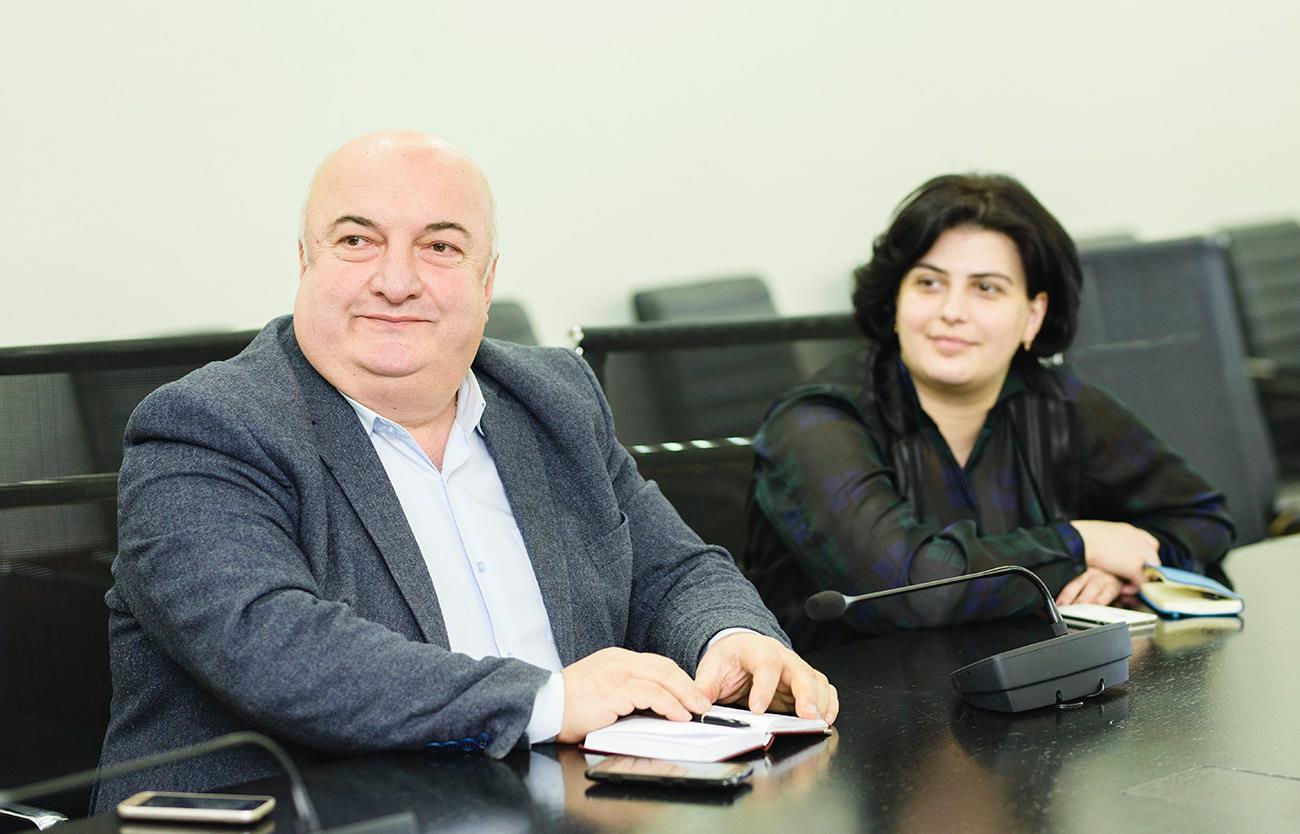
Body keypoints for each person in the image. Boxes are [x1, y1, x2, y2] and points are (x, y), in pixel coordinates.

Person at [94, 131, 836, 808]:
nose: (396, 280)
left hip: (562, 805)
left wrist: (729, 638)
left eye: (440, 247)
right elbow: (270, 645)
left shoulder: (552, 398)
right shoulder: (206, 427)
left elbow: (670, 569)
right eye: (357, 241)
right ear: (304, 263)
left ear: (487, 281)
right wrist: (545, 701)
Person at [745, 174, 1235, 650]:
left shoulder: (1058, 404)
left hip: (1023, 685)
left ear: (1033, 315)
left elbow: (1202, 517)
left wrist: (1117, 571)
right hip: (851, 696)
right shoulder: (815, 422)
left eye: (986, 288)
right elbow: (911, 588)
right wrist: (1077, 544)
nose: (952, 311)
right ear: (896, 301)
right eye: (929, 283)